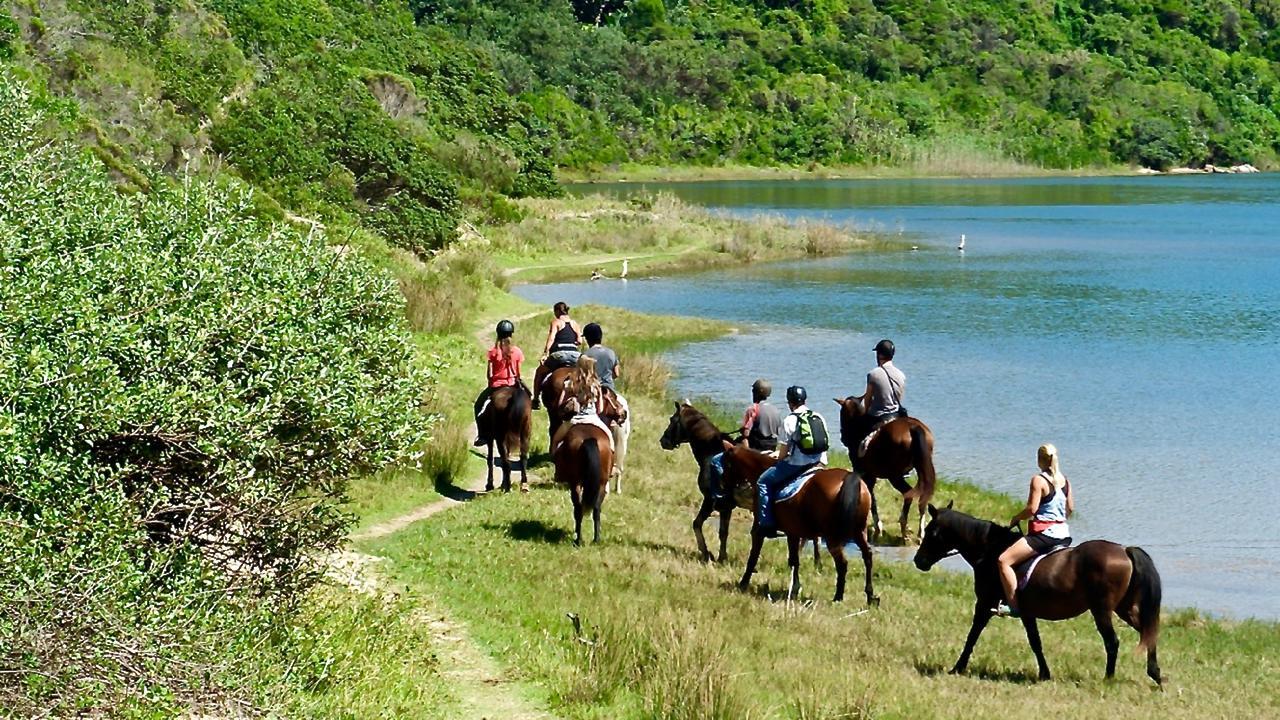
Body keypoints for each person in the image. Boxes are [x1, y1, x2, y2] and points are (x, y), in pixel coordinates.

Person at [994, 443, 1075, 617]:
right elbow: (1070, 509)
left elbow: (1032, 509)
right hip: (1064, 534)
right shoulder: (1065, 481)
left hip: (1044, 535)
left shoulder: (1039, 480)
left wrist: (1017, 518)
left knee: (1004, 561)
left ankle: (1013, 607)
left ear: (1040, 460)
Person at [754, 386, 828, 536]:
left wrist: (776, 456)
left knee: (763, 482)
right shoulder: (818, 416)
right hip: (819, 462)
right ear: (805, 400)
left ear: (790, 403)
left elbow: (783, 454)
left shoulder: (790, 420)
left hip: (797, 465)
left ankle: (766, 524)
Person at [705, 379, 784, 501]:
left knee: (715, 461)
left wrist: (745, 454)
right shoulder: (776, 411)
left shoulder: (753, 409)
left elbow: (746, 435)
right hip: (771, 449)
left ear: (758, 392)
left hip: (754, 449)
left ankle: (720, 496)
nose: (752, 393)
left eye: (753, 391)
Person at [850, 338, 907, 466]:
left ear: (880, 355)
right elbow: (900, 398)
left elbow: (868, 399)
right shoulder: (901, 375)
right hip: (896, 415)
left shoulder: (873, 374)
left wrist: (865, 413)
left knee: (858, 436)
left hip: (878, 416)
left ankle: (861, 463)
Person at [473, 319, 525, 446]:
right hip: (513, 384)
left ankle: (482, 435)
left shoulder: (494, 352)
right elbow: (518, 372)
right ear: (511, 334)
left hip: (497, 386)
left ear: (498, 333)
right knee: (526, 401)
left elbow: (489, 374)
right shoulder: (517, 351)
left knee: (478, 406)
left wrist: (491, 383)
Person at [531, 302, 583, 409]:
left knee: (540, 372)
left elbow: (551, 338)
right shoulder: (575, 323)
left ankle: (536, 399)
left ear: (557, 311)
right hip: (575, 355)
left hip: (559, 354)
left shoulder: (557, 322)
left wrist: (545, 353)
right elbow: (580, 340)